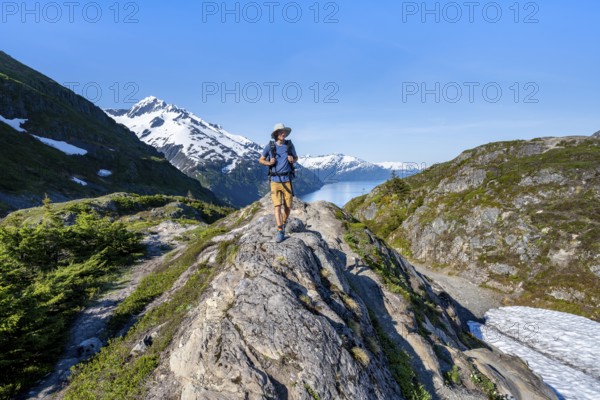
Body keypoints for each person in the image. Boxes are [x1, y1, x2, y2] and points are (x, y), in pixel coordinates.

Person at [259, 123, 298, 243]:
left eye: (284, 132)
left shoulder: (289, 145)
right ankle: (280, 230)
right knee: (277, 207)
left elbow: (296, 158)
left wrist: (293, 159)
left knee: (288, 206)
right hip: (274, 182)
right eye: (281, 132)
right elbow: (260, 160)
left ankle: (284, 222)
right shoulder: (269, 146)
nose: (283, 133)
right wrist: (268, 163)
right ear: (276, 134)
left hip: (287, 180)